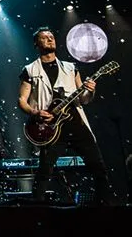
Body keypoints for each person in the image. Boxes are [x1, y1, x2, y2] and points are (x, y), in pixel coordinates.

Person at [17, 27, 116, 205]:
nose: (50, 39)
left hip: (77, 125)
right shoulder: (30, 70)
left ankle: (104, 205)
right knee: (44, 171)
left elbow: (84, 99)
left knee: (98, 167)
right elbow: (22, 100)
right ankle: (36, 209)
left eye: (52, 36)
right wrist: (35, 113)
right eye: (44, 37)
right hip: (51, 129)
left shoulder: (70, 67)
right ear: (36, 44)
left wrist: (90, 90)